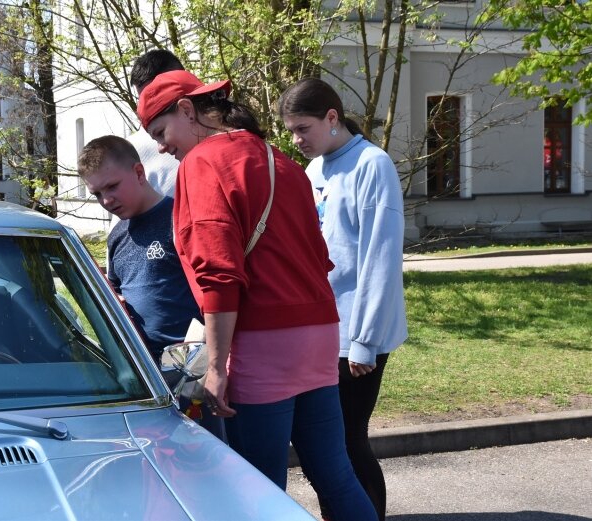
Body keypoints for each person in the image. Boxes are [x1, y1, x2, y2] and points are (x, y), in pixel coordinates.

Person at [136, 70, 378, 521]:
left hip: (263, 341)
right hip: (320, 332)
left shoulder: (202, 163)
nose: (162, 147)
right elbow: (317, 255)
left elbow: (218, 273)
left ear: (187, 110)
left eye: (161, 133)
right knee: (333, 471)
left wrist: (218, 365)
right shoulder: (279, 160)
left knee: (259, 487)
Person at [278, 77, 408, 521]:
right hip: (320, 329)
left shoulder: (373, 165)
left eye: (303, 128)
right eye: (291, 131)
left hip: (356, 335)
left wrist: (365, 340)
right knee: (322, 445)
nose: (296, 140)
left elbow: (380, 258)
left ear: (332, 118)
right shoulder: (315, 170)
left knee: (349, 439)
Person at [76, 134, 225, 440]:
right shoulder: (117, 236)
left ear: (139, 173)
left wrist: (218, 363)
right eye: (97, 194)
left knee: (206, 457)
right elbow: (118, 295)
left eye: (112, 186)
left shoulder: (181, 220)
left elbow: (215, 293)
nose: (106, 201)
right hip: (145, 375)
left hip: (194, 372)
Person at [127, 49, 185, 197]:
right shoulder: (132, 149)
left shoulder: (230, 134)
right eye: (143, 100)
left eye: (157, 96)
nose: (162, 147)